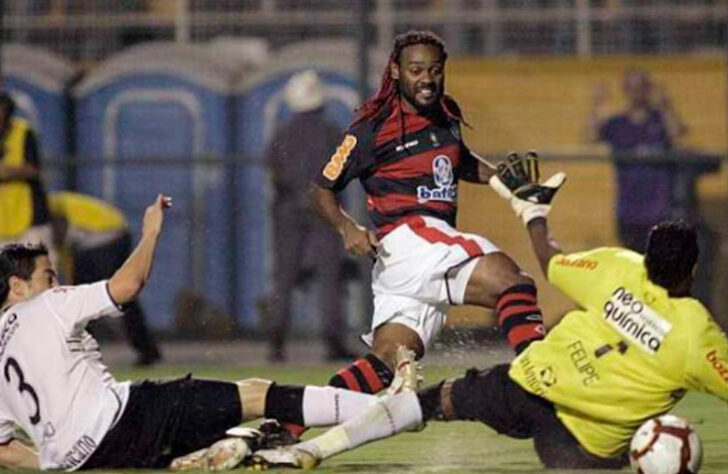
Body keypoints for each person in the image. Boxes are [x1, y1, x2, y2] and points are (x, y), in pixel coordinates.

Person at [251, 153, 728, 470]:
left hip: (524, 388)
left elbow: (550, 261)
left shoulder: (618, 267)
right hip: (582, 444)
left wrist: (533, 214)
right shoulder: (697, 336)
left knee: (427, 403)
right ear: (694, 268)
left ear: (646, 256)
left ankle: (312, 449)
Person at [0, 215, 419, 470]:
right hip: (126, 418)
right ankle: (396, 408)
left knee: (233, 437)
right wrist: (150, 232)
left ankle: (217, 451)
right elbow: (127, 285)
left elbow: (4, 451)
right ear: (17, 287)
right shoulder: (46, 306)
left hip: (88, 455)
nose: (57, 285)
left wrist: (62, 462)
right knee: (256, 394)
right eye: (49, 278)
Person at [300, 30, 547, 438]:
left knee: (384, 364)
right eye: (416, 70)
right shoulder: (370, 129)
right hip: (409, 237)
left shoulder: (446, 115)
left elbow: (460, 163)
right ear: (396, 71)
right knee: (512, 281)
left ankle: (283, 425)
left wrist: (504, 180)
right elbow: (320, 187)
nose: (426, 79)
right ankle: (544, 379)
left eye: (434, 70)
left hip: (418, 257)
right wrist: (347, 227)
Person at [264, 69, 356, 363]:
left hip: (289, 211)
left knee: (284, 277)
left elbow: (273, 171)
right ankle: (333, 341)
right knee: (330, 276)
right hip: (325, 209)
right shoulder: (331, 133)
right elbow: (343, 170)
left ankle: (276, 343)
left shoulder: (281, 134)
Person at [49, 191, 162, 366]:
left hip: (99, 237)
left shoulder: (45, 208)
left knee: (85, 301)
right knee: (124, 296)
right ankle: (147, 349)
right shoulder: (56, 200)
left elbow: (60, 243)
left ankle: (81, 355)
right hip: (116, 231)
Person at [587, 68, 688, 251]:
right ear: (625, 90)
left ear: (648, 89)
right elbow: (592, 137)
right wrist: (596, 104)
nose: (637, 92)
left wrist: (666, 105)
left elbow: (677, 134)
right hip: (628, 213)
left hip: (659, 213)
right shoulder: (617, 124)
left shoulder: (660, 119)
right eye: (632, 87)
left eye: (642, 87)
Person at [0, 91, 56, 266]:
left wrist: (5, 172)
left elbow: (33, 169)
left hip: (32, 219)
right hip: (3, 223)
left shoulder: (23, 133)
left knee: (41, 269)